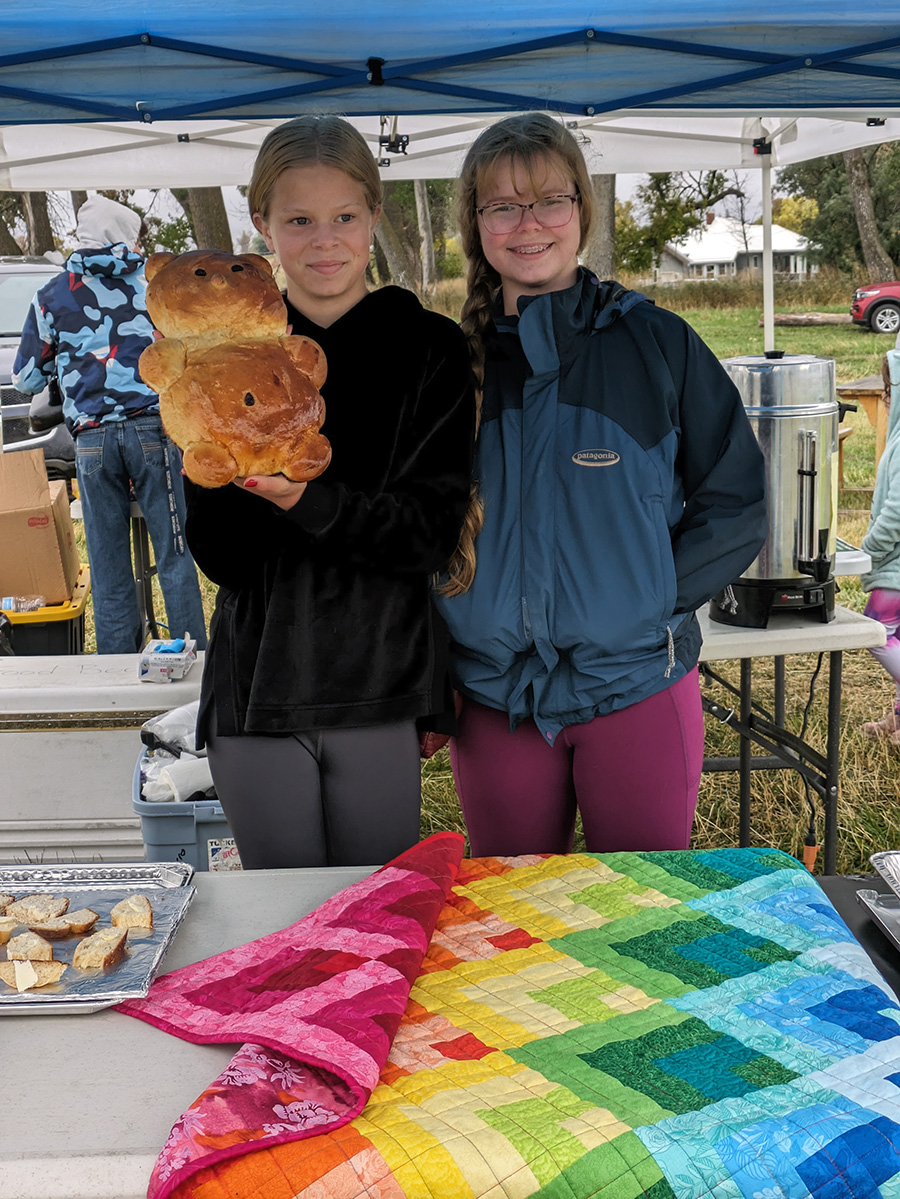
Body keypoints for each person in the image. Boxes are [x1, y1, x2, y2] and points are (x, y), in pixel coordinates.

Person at [434, 113, 768, 858]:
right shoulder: (447, 368)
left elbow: (736, 499)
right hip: (497, 703)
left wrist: (647, 598)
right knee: (518, 938)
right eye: (502, 206)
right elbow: (417, 523)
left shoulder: (655, 343)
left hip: (637, 689)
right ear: (476, 223)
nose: (529, 224)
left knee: (647, 926)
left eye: (549, 200)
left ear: (582, 209)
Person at [182, 116, 476, 869]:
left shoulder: (429, 351)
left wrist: (304, 501)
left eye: (345, 217)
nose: (325, 241)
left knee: (369, 929)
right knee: (285, 934)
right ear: (262, 226)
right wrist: (231, 482)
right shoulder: (223, 361)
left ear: (375, 215)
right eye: (299, 220)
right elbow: (219, 557)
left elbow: (426, 536)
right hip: (255, 690)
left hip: (377, 684)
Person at [12, 195, 208, 655]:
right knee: (175, 555)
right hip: (154, 433)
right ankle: (194, 666)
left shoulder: (52, 294)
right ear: (128, 235)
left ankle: (118, 672)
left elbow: (24, 379)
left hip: (91, 442)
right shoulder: (154, 288)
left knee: (107, 563)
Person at [861, 349, 900, 743]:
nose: (885, 399)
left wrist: (868, 548)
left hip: (893, 569)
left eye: (889, 390)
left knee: (876, 633)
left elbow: (897, 512)